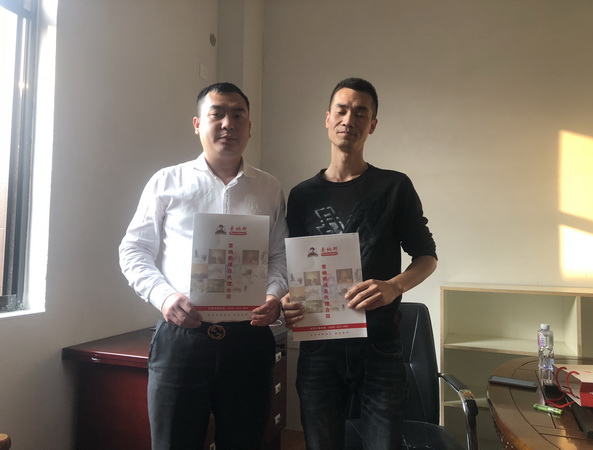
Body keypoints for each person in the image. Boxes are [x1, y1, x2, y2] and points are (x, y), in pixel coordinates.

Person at [119, 82, 288, 450]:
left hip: (249, 339)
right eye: (217, 114)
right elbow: (133, 250)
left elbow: (279, 256)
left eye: (238, 115)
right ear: (198, 124)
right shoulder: (167, 181)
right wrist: (164, 297)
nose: (228, 123)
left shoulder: (269, 188)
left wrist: (274, 295)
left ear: (249, 127)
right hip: (181, 338)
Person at [282, 77, 438, 450]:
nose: (349, 119)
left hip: (380, 347)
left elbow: (427, 256)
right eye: (341, 110)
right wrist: (289, 301)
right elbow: (295, 268)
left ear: (372, 125)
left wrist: (394, 286)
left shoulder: (394, 187)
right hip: (319, 348)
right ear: (327, 118)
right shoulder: (302, 196)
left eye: (360, 112)